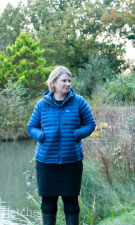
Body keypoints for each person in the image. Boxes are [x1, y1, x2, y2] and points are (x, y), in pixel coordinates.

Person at [27, 66, 96, 225]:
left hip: (71, 162)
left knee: (71, 203)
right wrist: (41, 136)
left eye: (69, 80)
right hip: (46, 163)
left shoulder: (78, 102)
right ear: (54, 82)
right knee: (48, 204)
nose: (67, 84)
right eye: (64, 80)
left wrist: (76, 134)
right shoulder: (42, 104)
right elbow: (31, 127)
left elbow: (90, 125)